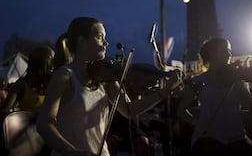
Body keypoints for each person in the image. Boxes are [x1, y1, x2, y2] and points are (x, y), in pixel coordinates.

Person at [36, 17, 182, 156]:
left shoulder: (104, 78)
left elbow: (129, 109)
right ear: (82, 41)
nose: (106, 43)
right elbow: (44, 123)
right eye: (100, 37)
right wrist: (70, 151)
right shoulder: (64, 76)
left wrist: (164, 91)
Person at [177, 37, 252, 156]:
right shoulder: (198, 81)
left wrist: (240, 82)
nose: (229, 54)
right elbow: (181, 110)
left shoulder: (237, 78)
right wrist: (198, 123)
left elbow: (250, 105)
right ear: (212, 54)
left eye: (229, 51)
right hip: (208, 137)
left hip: (237, 137)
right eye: (225, 50)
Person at [0, 46, 55, 122]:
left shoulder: (49, 84)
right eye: (50, 59)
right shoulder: (21, 85)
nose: (52, 64)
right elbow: (2, 114)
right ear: (41, 62)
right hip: (27, 130)